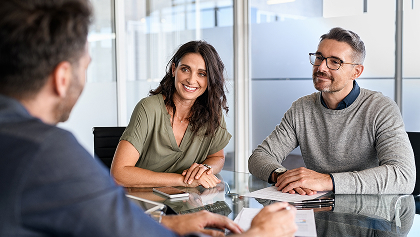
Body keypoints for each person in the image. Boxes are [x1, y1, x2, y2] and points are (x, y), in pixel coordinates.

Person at [0, 0, 298, 236]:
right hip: (144, 207)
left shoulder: (18, 141)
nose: (192, 79)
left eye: (202, 74)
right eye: (87, 65)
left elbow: (108, 228)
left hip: (171, 212)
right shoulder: (48, 154)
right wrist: (258, 233)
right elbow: (118, 191)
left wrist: (172, 222)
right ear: (62, 77)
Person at [248, 27, 416, 195]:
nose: (321, 67)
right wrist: (283, 176)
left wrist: (327, 180)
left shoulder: (380, 108)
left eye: (335, 62)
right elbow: (259, 157)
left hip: (370, 214)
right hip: (316, 209)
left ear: (356, 72)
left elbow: (403, 176)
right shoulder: (301, 108)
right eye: (319, 57)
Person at [111, 41, 231, 188]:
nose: (192, 80)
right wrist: (183, 181)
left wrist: (205, 168)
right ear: (174, 69)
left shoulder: (213, 112)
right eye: (185, 69)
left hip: (185, 204)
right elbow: (119, 174)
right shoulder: (148, 108)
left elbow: (217, 157)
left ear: (210, 79)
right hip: (143, 203)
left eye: (202, 74)